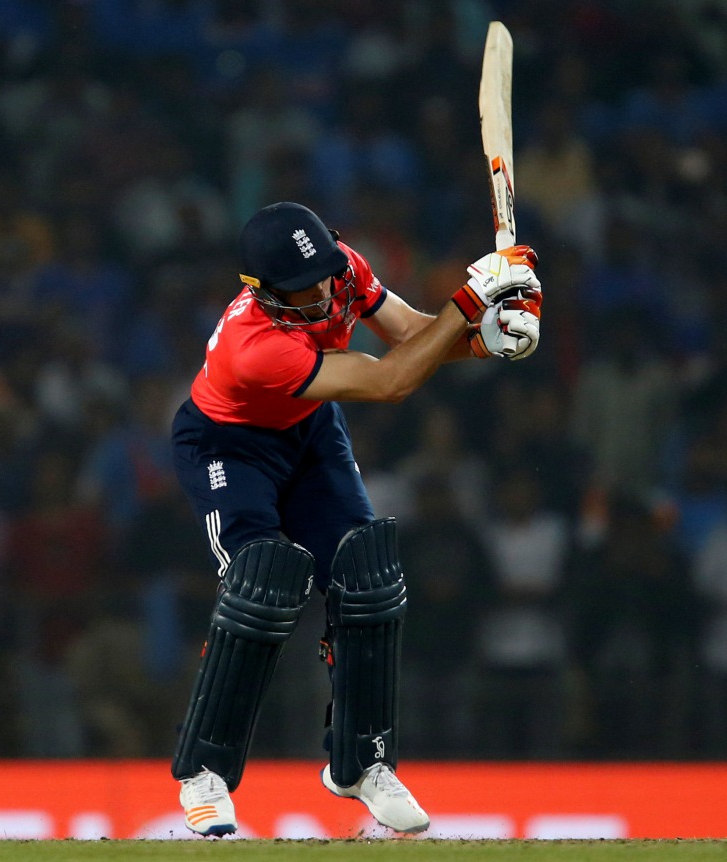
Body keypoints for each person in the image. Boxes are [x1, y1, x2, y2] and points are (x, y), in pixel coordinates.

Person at [169, 201, 542, 836]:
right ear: (261, 290)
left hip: (311, 432)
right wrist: (469, 302)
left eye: (321, 272)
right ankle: (204, 773)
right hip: (229, 447)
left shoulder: (340, 267)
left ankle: (362, 763)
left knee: (365, 577)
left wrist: (485, 336)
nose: (319, 291)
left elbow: (412, 336)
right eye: (301, 286)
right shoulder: (253, 347)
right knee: (261, 585)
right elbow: (389, 381)